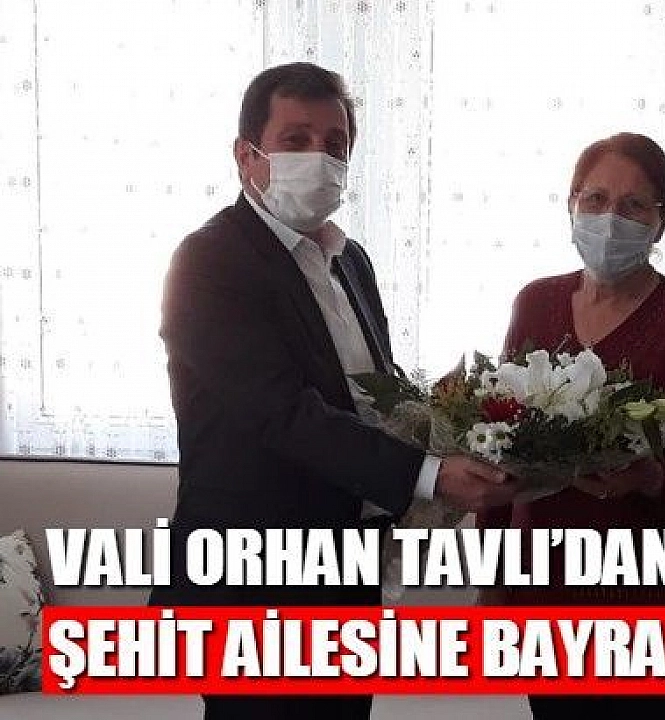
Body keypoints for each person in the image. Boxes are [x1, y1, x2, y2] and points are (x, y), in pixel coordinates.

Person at [150, 62, 515, 720]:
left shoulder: (352, 261)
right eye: (296, 140)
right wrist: (431, 475)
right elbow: (281, 413)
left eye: (335, 143)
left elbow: (365, 402)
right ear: (247, 156)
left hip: (343, 578)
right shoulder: (209, 261)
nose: (319, 157)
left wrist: (440, 418)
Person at [479, 132, 665, 720]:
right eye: (596, 199)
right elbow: (500, 443)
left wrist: (650, 478)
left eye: (633, 205)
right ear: (571, 203)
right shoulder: (535, 303)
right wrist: (492, 577)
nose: (610, 219)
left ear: (661, 221)